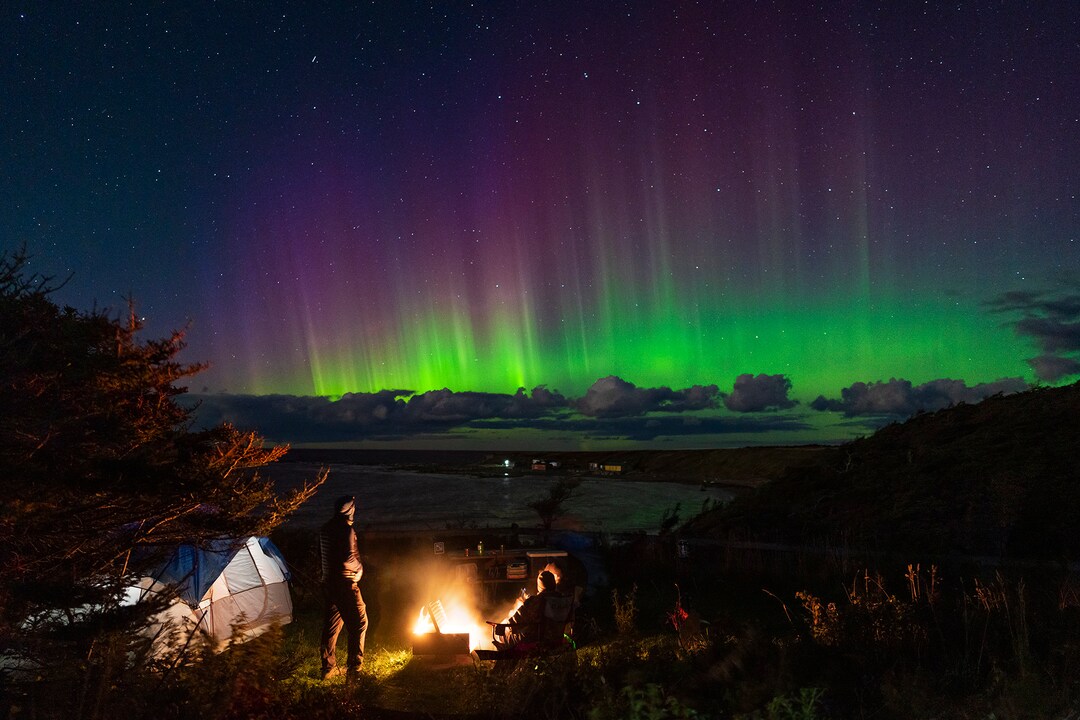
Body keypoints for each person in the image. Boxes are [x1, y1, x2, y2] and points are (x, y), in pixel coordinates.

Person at [319, 495, 368, 682]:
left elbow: (325, 555)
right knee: (359, 623)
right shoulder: (346, 530)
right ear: (350, 510)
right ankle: (354, 671)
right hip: (345, 584)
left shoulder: (325, 529)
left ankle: (327, 668)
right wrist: (359, 569)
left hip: (329, 583)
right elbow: (347, 559)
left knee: (332, 626)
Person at [495, 570, 571, 649]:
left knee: (502, 637)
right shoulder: (564, 600)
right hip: (556, 639)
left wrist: (505, 627)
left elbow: (516, 620)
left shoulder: (536, 601)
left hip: (534, 640)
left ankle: (504, 658)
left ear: (540, 585)